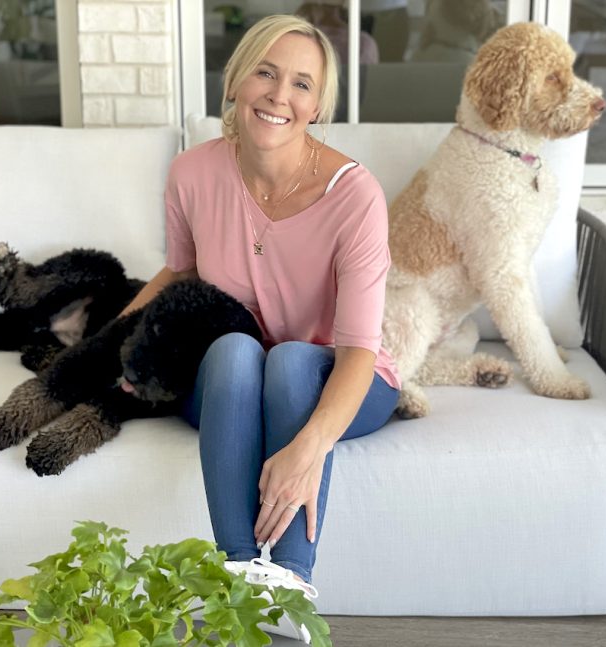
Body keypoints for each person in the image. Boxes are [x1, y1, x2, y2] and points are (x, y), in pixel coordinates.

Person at [119, 14, 400, 643]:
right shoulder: (191, 174)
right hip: (232, 379)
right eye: (266, 73)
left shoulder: (355, 197)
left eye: (302, 84)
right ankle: (238, 574)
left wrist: (308, 449)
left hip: (342, 379)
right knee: (234, 350)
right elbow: (180, 272)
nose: (280, 95)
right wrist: (116, 345)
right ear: (235, 82)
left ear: (319, 104)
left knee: (295, 360)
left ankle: (291, 583)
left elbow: (357, 349)